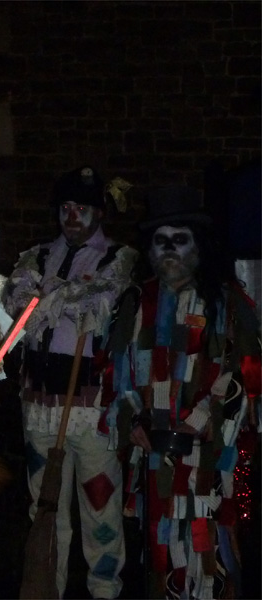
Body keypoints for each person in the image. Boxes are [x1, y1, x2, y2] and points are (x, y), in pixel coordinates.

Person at [106, 186, 260, 599]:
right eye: (161, 242)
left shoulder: (228, 303)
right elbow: (119, 376)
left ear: (198, 245)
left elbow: (246, 374)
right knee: (161, 541)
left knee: (208, 537)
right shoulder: (137, 302)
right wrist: (134, 420)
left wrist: (205, 417)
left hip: (209, 455)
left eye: (180, 240)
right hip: (155, 454)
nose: (169, 250)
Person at [4, 165, 137, 599]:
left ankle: (104, 592)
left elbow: (97, 301)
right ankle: (47, 590)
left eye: (81, 208)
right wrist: (57, 299)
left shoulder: (119, 257)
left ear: (100, 212)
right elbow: (18, 304)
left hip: (91, 407)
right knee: (45, 509)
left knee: (100, 508)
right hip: (39, 402)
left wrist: (49, 299)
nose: (72, 217)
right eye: (65, 208)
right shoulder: (36, 256)